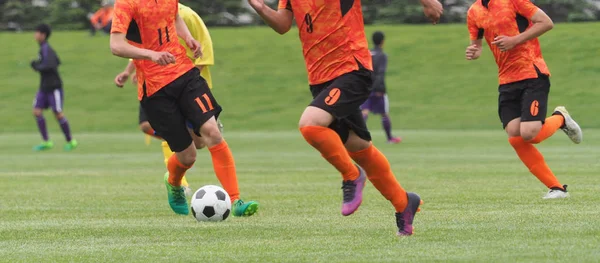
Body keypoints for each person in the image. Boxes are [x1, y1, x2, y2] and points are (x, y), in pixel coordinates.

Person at [247, 0, 443, 236]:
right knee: (360, 148)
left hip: (351, 69)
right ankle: (404, 204)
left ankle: (352, 176)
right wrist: (259, 7)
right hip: (320, 79)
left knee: (310, 124)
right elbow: (282, 24)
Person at [110, 0, 258, 216]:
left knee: (213, 132)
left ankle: (236, 200)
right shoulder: (126, 4)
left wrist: (188, 38)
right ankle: (173, 182)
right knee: (188, 156)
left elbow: (174, 17)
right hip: (154, 89)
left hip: (184, 74)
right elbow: (116, 45)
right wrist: (151, 54)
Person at [465, 0, 582, 199]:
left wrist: (515, 40)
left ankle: (560, 118)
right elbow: (476, 44)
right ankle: (557, 188)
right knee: (515, 135)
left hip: (532, 73)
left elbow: (546, 22)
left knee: (530, 133)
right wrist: (474, 51)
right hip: (506, 80)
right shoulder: (474, 11)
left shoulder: (514, 1)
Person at [114, 3, 219, 197]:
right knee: (150, 127)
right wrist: (129, 72)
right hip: (154, 84)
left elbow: (205, 51)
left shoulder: (189, 15)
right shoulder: (138, 9)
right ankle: (180, 184)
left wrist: (190, 83)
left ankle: (233, 196)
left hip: (185, 80)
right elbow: (139, 44)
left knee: (200, 142)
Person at [31, 24, 78, 152]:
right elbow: (57, 61)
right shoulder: (43, 49)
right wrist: (38, 65)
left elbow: (51, 65)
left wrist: (37, 66)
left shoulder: (47, 49)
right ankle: (46, 142)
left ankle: (70, 141)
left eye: (37, 32)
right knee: (36, 111)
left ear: (43, 35)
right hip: (44, 87)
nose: (35, 35)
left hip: (53, 87)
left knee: (57, 113)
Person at [361, 31, 402, 144]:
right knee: (384, 113)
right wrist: (379, 88)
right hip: (377, 88)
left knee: (364, 111)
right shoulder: (382, 55)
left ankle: (359, 136)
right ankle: (389, 138)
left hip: (365, 88)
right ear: (382, 41)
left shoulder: (367, 53)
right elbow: (380, 73)